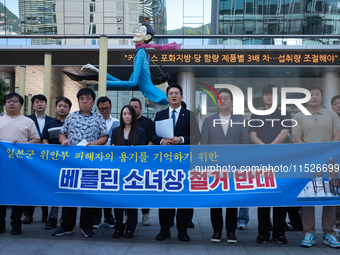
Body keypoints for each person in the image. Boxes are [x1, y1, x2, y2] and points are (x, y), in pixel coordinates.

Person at [67, 22, 181, 105]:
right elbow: (126, 82)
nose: (136, 32)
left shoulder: (141, 52)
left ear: (148, 37)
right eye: (136, 29)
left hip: (155, 95)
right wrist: (97, 71)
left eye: (140, 31)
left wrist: (99, 82)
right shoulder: (140, 52)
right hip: (153, 94)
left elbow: (132, 83)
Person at [52, 88, 108, 238]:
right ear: (78, 101)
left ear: (93, 101)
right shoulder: (71, 117)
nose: (84, 101)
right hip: (72, 162)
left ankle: (87, 226)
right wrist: (65, 141)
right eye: (82, 98)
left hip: (91, 162)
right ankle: (66, 225)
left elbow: (105, 137)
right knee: (69, 193)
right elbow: (62, 134)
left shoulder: (98, 117)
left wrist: (96, 143)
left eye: (88, 98)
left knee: (87, 193)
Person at [151, 83, 201, 242]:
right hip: (165, 163)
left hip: (184, 163)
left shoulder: (190, 115)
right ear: (167, 97)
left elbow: (197, 137)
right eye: (171, 93)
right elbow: (152, 136)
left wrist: (182, 139)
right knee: (165, 198)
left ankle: (182, 231)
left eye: (176, 93)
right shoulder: (160, 115)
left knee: (183, 197)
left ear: (181, 97)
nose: (173, 95)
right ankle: (164, 229)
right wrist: (161, 141)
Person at [293, 86, 340, 248]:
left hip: (330, 163)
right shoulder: (299, 115)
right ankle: (308, 233)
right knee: (308, 197)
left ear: (321, 97)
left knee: (330, 196)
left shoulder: (331, 114)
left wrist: (327, 154)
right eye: (310, 95)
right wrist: (312, 155)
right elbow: (297, 139)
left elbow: (337, 136)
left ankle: (329, 233)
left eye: (317, 94)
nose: (313, 97)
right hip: (308, 161)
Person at [201, 88, 249, 244]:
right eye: (220, 98)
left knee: (232, 200)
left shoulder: (240, 121)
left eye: (226, 98)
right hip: (214, 167)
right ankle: (216, 231)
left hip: (234, 167)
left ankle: (231, 231)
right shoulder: (208, 121)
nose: (223, 100)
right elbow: (204, 145)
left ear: (232, 102)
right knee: (216, 200)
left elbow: (245, 144)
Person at [249, 84, 291, 244]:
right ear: (263, 96)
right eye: (266, 94)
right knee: (263, 197)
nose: (269, 97)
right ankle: (263, 232)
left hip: (281, 160)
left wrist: (271, 149)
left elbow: (285, 133)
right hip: (262, 161)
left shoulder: (284, 113)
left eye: (272, 94)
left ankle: (280, 232)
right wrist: (266, 150)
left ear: (277, 97)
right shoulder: (256, 114)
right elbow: (252, 135)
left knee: (280, 196)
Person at [0, 93, 40, 235]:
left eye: (15, 101)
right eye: (8, 101)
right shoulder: (0, 120)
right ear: (5, 104)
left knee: (16, 194)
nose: (11, 104)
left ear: (21, 105)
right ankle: (1, 224)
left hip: (18, 164)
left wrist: (25, 143)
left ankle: (16, 224)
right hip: (1, 164)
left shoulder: (27, 121)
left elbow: (36, 139)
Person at [111, 105, 145, 239]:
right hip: (118, 171)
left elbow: (143, 152)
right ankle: (118, 227)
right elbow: (112, 151)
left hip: (133, 172)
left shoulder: (140, 131)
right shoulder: (115, 131)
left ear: (133, 116)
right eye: (124, 114)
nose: (127, 116)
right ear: (121, 116)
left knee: (131, 200)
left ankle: (131, 227)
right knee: (117, 200)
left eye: (129, 114)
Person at [41, 97, 72, 229]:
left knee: (67, 190)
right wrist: (50, 149)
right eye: (59, 105)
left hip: (69, 161)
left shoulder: (73, 122)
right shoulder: (49, 123)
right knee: (55, 189)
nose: (62, 108)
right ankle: (52, 219)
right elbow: (43, 139)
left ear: (69, 109)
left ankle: (65, 220)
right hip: (53, 162)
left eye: (65, 106)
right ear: (55, 108)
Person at [24, 94, 53, 224]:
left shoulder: (52, 121)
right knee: (30, 184)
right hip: (30, 157)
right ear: (33, 105)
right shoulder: (26, 120)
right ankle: (28, 214)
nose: (40, 104)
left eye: (42, 102)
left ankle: (45, 214)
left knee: (44, 184)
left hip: (47, 158)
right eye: (37, 102)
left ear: (46, 105)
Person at [92, 96, 119, 229]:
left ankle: (109, 216)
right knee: (96, 188)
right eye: (101, 109)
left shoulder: (117, 122)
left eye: (107, 108)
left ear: (111, 108)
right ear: (98, 108)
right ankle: (96, 217)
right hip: (96, 159)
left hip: (111, 160)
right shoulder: (93, 121)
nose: (104, 111)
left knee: (108, 188)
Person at [129, 97, 153, 226]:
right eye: (131, 106)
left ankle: (145, 213)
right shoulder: (126, 121)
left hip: (144, 159)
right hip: (129, 161)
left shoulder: (148, 122)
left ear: (141, 108)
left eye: (136, 107)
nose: (133, 109)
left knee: (145, 188)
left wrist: (147, 148)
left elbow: (153, 136)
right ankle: (128, 215)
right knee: (129, 186)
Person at [331, 95, 340, 232]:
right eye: (336, 103)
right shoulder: (330, 120)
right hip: (335, 161)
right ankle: (338, 224)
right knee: (336, 192)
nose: (339, 105)